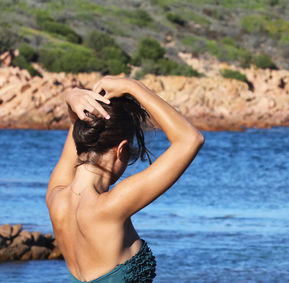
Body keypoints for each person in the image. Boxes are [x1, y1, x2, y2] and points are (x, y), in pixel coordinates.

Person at [46, 76, 204, 282]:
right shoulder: (110, 207)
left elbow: (77, 131)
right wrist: (134, 86)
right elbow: (190, 139)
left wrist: (71, 97)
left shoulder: (55, 198)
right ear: (121, 149)